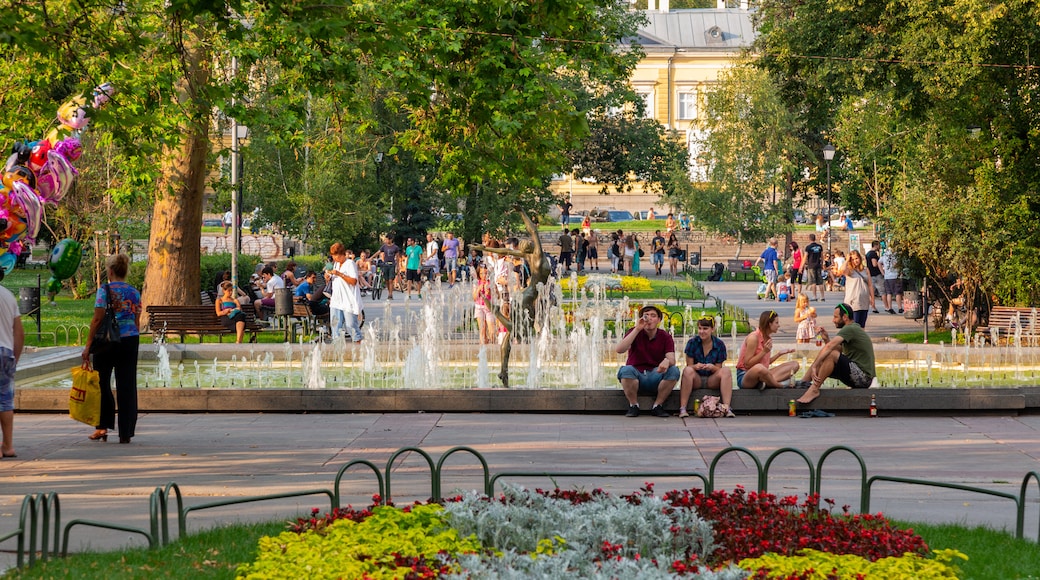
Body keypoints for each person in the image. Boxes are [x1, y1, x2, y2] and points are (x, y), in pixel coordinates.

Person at [82, 254, 141, 444]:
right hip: (130, 339)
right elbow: (137, 320)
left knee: (102, 383)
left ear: (111, 271)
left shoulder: (104, 290)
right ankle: (126, 432)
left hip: (106, 342)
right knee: (127, 385)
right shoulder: (134, 292)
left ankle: (102, 427)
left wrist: (88, 344)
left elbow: (98, 319)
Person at [795, 303, 876, 404]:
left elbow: (831, 349)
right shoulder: (852, 329)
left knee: (828, 354)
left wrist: (815, 366)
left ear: (845, 317)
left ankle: (814, 389)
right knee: (824, 356)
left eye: (835, 317)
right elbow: (836, 351)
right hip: (857, 375)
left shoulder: (850, 328)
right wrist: (826, 339)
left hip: (864, 379)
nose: (833, 320)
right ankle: (803, 383)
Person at [615, 305, 679, 417]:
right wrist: (637, 329)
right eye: (646, 316)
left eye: (653, 316)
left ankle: (657, 406)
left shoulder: (665, 336)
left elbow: (672, 358)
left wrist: (667, 361)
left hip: (656, 374)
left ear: (659, 320)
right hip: (636, 374)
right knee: (626, 370)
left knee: (674, 370)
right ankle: (633, 405)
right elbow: (620, 350)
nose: (649, 318)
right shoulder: (634, 332)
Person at [679, 316, 733, 418]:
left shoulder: (719, 344)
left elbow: (719, 369)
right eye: (700, 328)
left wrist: (712, 368)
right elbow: (689, 366)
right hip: (697, 379)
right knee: (687, 371)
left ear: (712, 329)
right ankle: (683, 408)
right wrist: (696, 366)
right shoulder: (692, 342)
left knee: (726, 371)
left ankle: (727, 408)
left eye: (705, 329)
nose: (702, 331)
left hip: (712, 379)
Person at [735, 310, 799, 390]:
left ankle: (765, 383)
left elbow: (765, 362)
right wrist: (764, 351)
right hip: (745, 376)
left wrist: (779, 354)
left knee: (794, 365)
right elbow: (747, 364)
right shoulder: (753, 338)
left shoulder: (768, 338)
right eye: (776, 323)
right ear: (769, 323)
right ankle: (779, 385)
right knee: (759, 368)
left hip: (762, 374)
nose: (778, 325)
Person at [0, 281, 23, 458]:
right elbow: (19, 332)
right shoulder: (8, 295)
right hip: (5, 352)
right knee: (5, 401)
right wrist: (15, 357)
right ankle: (8, 446)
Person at [326, 243, 363, 342]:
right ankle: (337, 350)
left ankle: (359, 346)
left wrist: (340, 274)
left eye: (335, 255)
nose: (333, 257)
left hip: (348, 299)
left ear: (341, 254)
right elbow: (335, 280)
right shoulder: (336, 264)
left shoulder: (350, 264)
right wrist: (329, 277)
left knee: (351, 326)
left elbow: (354, 281)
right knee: (335, 326)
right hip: (336, 300)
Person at [842, 249, 875, 328]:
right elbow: (842, 270)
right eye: (852, 259)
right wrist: (847, 260)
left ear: (860, 258)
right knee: (854, 325)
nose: (855, 261)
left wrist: (872, 298)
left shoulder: (865, 269)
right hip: (853, 301)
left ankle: (860, 340)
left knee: (862, 325)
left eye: (856, 258)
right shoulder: (850, 270)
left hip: (864, 300)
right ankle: (853, 340)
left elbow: (870, 284)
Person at [472, 262, 496, 344]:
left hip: (489, 308)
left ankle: (492, 344)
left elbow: (496, 296)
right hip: (479, 307)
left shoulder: (490, 283)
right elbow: (474, 298)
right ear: (478, 273)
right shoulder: (476, 283)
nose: (484, 275)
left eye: (486, 273)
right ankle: (483, 349)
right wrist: (478, 289)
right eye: (481, 273)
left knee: (492, 332)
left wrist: (488, 292)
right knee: (482, 331)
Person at [373, 235, 400, 300]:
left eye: (387, 239)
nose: (386, 241)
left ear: (391, 240)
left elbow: (398, 257)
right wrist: (371, 257)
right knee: (387, 280)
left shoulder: (395, 247)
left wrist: (398, 266)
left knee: (391, 280)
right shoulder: (384, 246)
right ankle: (389, 292)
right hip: (385, 265)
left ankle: (390, 294)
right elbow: (378, 252)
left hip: (392, 265)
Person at [880, 247, 904, 314]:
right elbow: (896, 264)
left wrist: (883, 272)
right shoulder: (896, 255)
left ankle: (890, 307)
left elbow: (879, 262)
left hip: (887, 276)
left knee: (889, 293)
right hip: (895, 275)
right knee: (898, 293)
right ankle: (900, 308)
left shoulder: (885, 255)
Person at [802, 234, 824, 301]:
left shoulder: (808, 247)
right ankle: (822, 296)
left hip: (811, 265)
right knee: (820, 282)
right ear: (815, 238)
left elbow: (805, 257)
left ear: (809, 238)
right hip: (818, 265)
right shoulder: (820, 246)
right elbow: (822, 256)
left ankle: (814, 296)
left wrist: (802, 266)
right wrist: (822, 263)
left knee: (813, 281)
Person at [865, 240, 883, 311]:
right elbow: (874, 264)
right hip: (876, 274)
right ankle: (887, 306)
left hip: (870, 273)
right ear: (876, 245)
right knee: (882, 291)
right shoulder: (873, 254)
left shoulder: (868, 253)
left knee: (871, 291)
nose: (879, 247)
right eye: (879, 245)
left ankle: (873, 306)